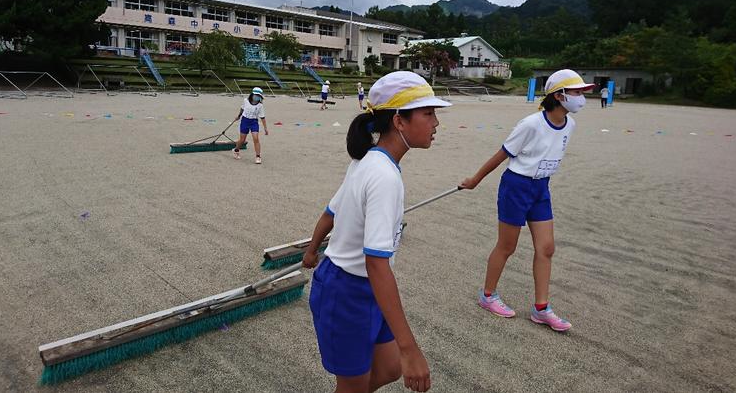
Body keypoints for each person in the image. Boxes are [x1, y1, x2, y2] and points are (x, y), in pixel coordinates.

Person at [303, 71, 451, 392]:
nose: (436, 122)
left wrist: (312, 250)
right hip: (346, 292)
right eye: (428, 113)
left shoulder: (368, 160)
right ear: (399, 121)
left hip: (367, 288)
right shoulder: (383, 176)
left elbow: (331, 212)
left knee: (389, 368)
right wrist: (411, 349)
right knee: (358, 382)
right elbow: (376, 263)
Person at [460, 68, 593, 332]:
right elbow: (502, 155)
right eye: (576, 92)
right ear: (559, 96)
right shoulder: (531, 124)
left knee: (546, 248)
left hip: (541, 188)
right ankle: (488, 295)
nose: (581, 97)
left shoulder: (570, 124)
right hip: (516, 186)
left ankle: (541, 308)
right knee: (507, 246)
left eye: (582, 92)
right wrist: (475, 179)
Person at [233, 87, 269, 164]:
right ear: (252, 94)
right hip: (245, 121)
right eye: (256, 95)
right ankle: (236, 150)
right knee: (242, 140)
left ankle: (258, 156)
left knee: (256, 138)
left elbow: (262, 117)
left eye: (258, 96)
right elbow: (242, 109)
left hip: (254, 122)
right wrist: (238, 116)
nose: (257, 97)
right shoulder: (245, 101)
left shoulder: (260, 105)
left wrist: (265, 128)